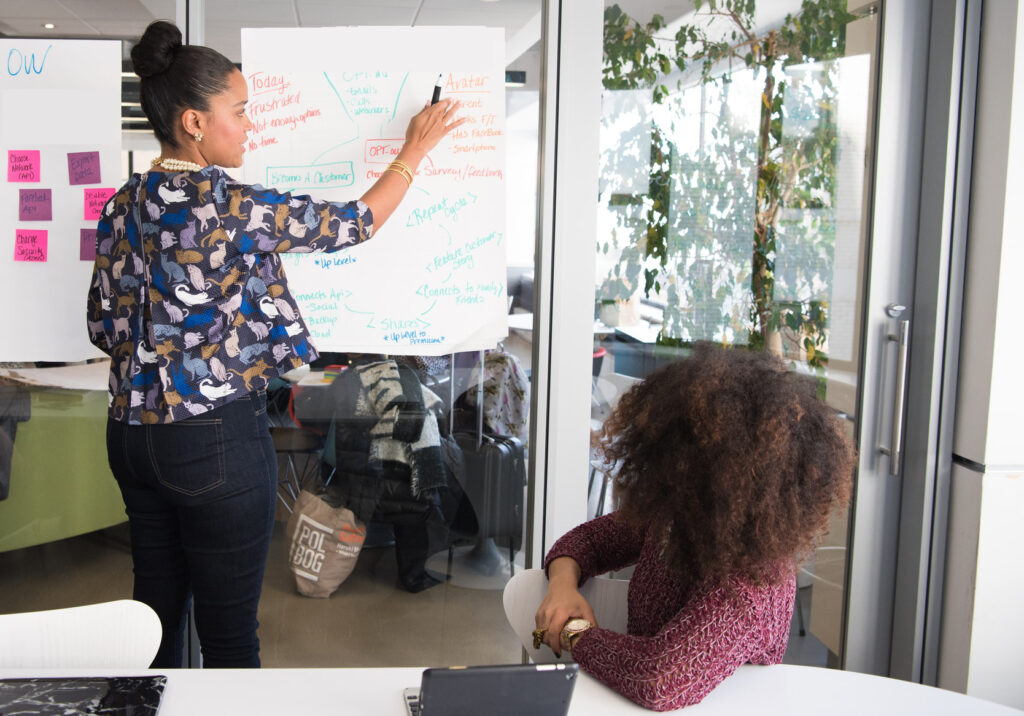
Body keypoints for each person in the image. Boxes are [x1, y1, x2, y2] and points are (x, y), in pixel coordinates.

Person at [86, 20, 464, 668]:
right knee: (231, 638)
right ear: (194, 122)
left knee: (155, 620)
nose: (250, 126)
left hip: (131, 436)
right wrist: (414, 150)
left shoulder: (122, 204)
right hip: (212, 442)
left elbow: (100, 324)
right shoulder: (225, 203)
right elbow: (355, 223)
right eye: (239, 112)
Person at [533, 343, 856, 710]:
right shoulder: (678, 516)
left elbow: (658, 679)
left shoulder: (754, 583)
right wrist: (561, 589)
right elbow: (587, 540)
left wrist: (575, 634)